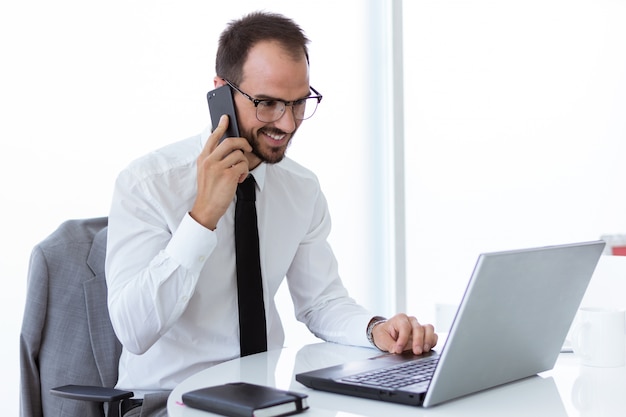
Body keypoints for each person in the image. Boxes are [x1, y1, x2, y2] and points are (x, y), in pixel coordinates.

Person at [105, 11, 437, 416]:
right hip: (164, 403)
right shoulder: (147, 184)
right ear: (221, 93)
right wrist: (202, 217)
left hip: (267, 399)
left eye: (299, 102)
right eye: (267, 103)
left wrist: (375, 331)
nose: (288, 122)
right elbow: (133, 331)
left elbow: (321, 302)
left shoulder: (301, 188)